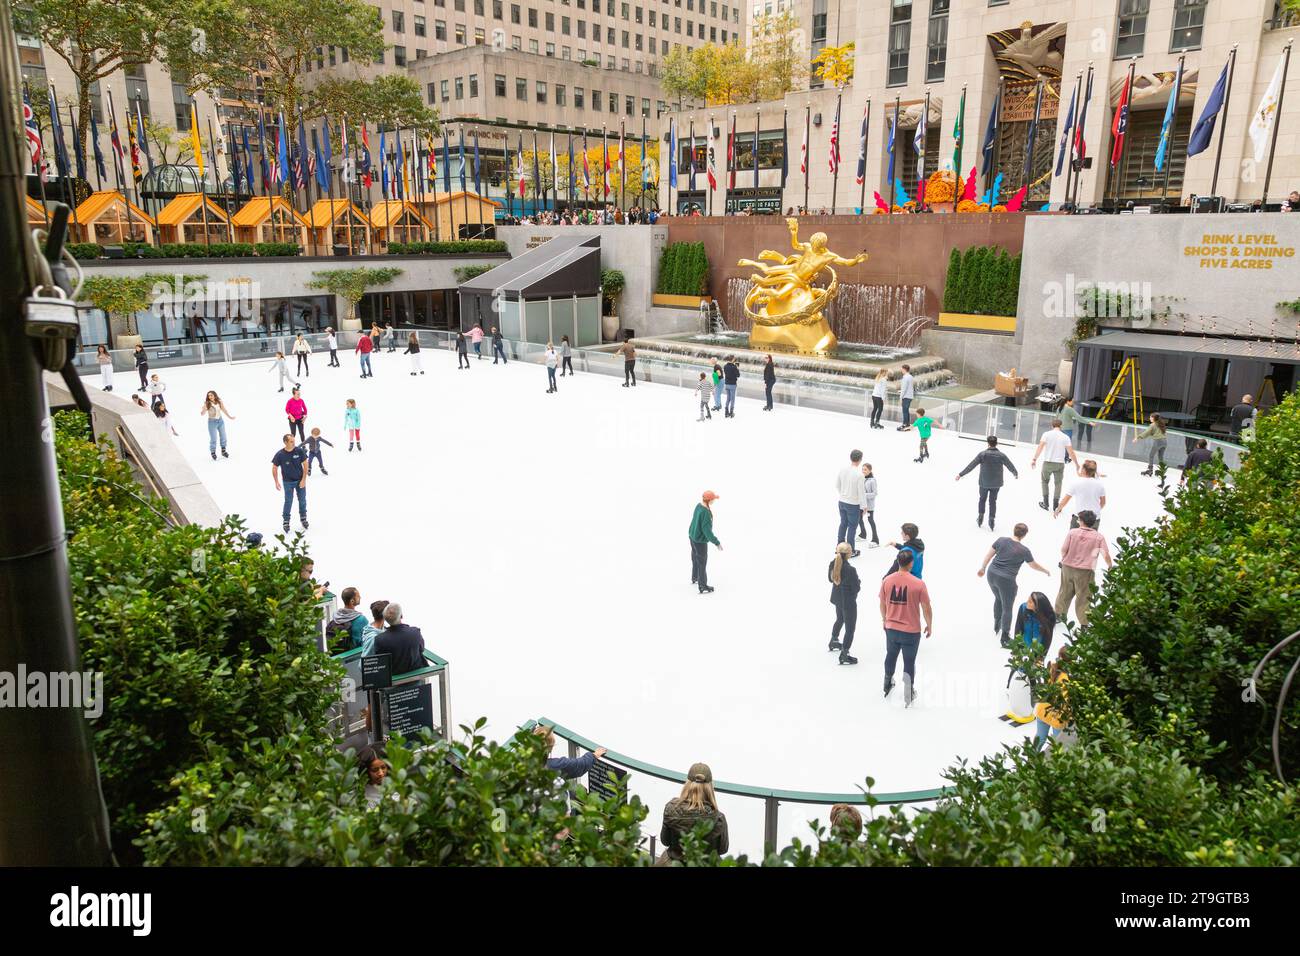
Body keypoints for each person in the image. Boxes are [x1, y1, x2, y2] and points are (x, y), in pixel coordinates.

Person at [977, 522, 1051, 647]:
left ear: (1014, 530)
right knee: (1007, 607)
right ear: (1024, 535)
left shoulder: (1001, 540)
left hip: (991, 573)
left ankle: (997, 624)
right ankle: (1005, 637)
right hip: (1006, 580)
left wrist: (983, 568)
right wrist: (1045, 570)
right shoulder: (1024, 550)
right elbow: (1033, 565)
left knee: (998, 598)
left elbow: (988, 555)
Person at [879, 549, 932, 706]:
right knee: (909, 661)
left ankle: (887, 682)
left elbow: (882, 603)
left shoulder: (887, 580)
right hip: (911, 631)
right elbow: (926, 608)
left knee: (891, 655)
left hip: (891, 628)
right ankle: (908, 693)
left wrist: (884, 619)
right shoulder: (918, 584)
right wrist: (929, 625)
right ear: (911, 564)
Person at [657, 763, 729, 865]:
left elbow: (665, 841)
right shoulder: (719, 818)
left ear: (687, 784)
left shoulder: (670, 809)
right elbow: (723, 850)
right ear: (710, 788)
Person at [1054, 509, 1111, 628]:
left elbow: (1063, 549)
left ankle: (1058, 615)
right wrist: (1110, 565)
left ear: (1082, 521)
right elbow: (1105, 553)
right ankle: (1084, 624)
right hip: (1085, 571)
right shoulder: (1099, 537)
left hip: (1067, 567)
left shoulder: (1072, 532)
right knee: (1084, 597)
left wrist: (1065, 559)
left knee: (1064, 591)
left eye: (1079, 519)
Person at [957, 435, 1019, 531]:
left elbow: (971, 465)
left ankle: (980, 517)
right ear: (996, 443)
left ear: (988, 443)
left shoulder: (982, 454)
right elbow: (1009, 465)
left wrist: (960, 474)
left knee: (982, 499)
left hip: (984, 482)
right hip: (996, 483)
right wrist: (1015, 473)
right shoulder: (1002, 455)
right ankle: (991, 520)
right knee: (993, 501)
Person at [1030, 418, 1080, 513]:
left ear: (1052, 426)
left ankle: (1046, 503)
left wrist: (1034, 459)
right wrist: (1077, 464)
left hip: (1048, 463)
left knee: (1044, 482)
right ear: (1061, 426)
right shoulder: (1065, 437)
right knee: (1058, 483)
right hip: (1059, 464)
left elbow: (1040, 447)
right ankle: (1056, 505)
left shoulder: (1046, 434)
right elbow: (1071, 452)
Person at [532, 725, 608, 779]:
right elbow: (580, 765)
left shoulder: (523, 762)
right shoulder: (555, 766)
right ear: (550, 748)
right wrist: (594, 755)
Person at [828, 542, 861, 664]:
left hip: (837, 599)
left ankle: (834, 640)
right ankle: (844, 654)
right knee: (850, 629)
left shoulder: (833, 563)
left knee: (840, 619)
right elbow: (856, 588)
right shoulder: (851, 570)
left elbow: (830, 578)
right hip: (848, 602)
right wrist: (858, 581)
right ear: (848, 554)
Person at [373, 602, 427, 674]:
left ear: (385, 619)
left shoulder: (379, 640)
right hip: (416, 677)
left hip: (394, 680)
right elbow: (421, 649)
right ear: (401, 616)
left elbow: (381, 662)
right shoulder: (415, 632)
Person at [271, 433, 309, 533]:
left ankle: (303, 518)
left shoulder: (299, 451)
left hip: (300, 480)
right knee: (288, 501)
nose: (293, 443)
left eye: (294, 441)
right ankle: (286, 521)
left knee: (302, 500)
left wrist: (304, 480)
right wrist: (276, 482)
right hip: (287, 482)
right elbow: (274, 468)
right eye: (291, 441)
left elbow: (305, 465)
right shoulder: (280, 454)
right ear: (285, 442)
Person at [688, 490, 723, 594]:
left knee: (695, 558)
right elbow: (707, 531)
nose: (714, 501)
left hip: (692, 537)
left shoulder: (699, 506)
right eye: (713, 499)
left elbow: (694, 520)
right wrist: (717, 542)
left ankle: (695, 577)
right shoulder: (706, 513)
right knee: (702, 563)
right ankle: (702, 585)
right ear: (709, 500)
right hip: (700, 541)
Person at [1034, 651, 1070, 748]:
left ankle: (1031, 760)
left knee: (1040, 738)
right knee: (1057, 746)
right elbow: (1065, 702)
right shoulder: (1066, 679)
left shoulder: (1053, 668)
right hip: (1057, 716)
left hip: (1042, 710)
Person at [1055, 459, 1106, 529]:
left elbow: (1065, 500)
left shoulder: (1076, 483)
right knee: (1091, 539)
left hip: (1079, 518)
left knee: (1073, 539)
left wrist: (1058, 509)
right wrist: (1096, 510)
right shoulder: (1100, 485)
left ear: (1084, 470)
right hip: (1094, 519)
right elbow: (1103, 502)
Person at [835, 449, 867, 557]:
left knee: (843, 524)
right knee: (852, 527)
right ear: (860, 460)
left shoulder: (842, 470)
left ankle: (839, 547)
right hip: (853, 504)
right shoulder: (860, 475)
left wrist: (843, 494)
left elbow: (837, 485)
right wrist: (864, 507)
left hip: (842, 501)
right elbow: (861, 492)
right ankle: (850, 550)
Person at [1013, 591, 1057, 658]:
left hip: (1038, 648)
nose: (1027, 602)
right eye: (1028, 599)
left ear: (1038, 606)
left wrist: (1041, 656)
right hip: (1024, 647)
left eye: (1030, 602)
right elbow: (1018, 628)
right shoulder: (1023, 608)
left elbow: (1047, 639)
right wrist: (1017, 649)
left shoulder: (1049, 617)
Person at [328, 587, 369, 652]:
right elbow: (368, 641)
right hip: (355, 656)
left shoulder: (336, 618)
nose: (360, 597)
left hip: (338, 656)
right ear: (352, 601)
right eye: (358, 596)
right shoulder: (361, 619)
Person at [200, 390, 235, 460]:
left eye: (211, 395)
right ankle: (213, 452)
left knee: (223, 436)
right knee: (213, 438)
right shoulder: (208, 403)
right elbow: (202, 414)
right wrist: (204, 408)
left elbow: (224, 410)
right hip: (212, 422)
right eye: (209, 396)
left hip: (220, 421)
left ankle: (223, 450)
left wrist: (230, 417)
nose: (210, 397)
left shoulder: (219, 401)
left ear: (214, 395)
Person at [857, 462, 879, 548]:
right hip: (862, 504)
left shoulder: (872, 480)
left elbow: (875, 493)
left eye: (865, 469)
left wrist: (863, 494)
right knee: (859, 518)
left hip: (869, 505)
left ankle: (875, 540)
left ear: (870, 470)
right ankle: (863, 534)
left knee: (871, 521)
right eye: (862, 469)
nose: (863, 471)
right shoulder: (862, 478)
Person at [895, 364, 915, 430]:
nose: (901, 370)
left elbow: (904, 389)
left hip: (906, 396)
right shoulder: (911, 376)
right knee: (906, 411)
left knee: (905, 411)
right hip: (910, 396)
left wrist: (901, 398)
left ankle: (904, 424)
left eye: (901, 369)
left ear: (904, 369)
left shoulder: (905, 377)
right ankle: (907, 423)